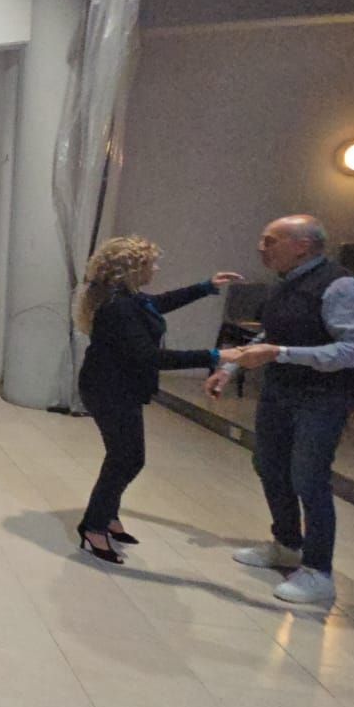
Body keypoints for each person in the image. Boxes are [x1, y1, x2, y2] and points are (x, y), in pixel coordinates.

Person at [207, 215, 354, 604]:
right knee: (268, 465)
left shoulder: (340, 285)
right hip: (281, 392)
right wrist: (229, 367)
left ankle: (318, 570)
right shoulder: (287, 283)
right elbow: (271, 334)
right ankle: (286, 543)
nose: (261, 248)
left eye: (270, 240)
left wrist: (281, 354)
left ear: (302, 245)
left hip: (321, 397)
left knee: (309, 478)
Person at [72, 238, 243, 563]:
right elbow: (150, 357)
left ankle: (107, 516)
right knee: (127, 459)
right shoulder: (118, 306)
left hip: (115, 388)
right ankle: (94, 526)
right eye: (151, 263)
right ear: (132, 270)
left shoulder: (127, 298)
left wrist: (206, 287)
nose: (157, 268)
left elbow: (159, 303)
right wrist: (215, 355)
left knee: (124, 457)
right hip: (110, 391)